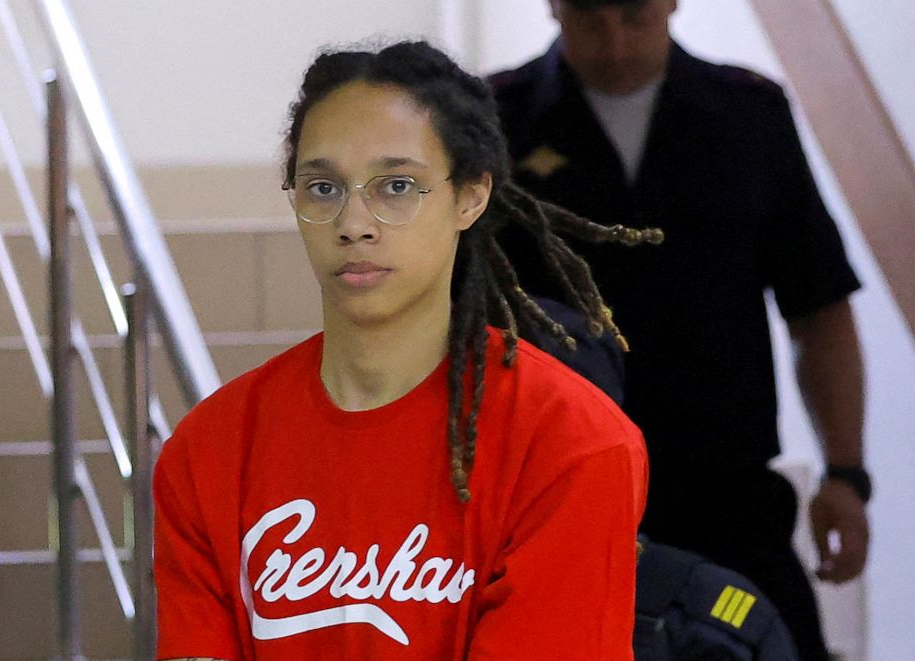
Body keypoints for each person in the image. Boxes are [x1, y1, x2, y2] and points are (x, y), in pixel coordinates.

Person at [153, 41, 658, 660]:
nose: (354, 221)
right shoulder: (208, 450)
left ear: (470, 196)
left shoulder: (573, 443)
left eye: (397, 185)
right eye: (323, 186)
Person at [489, 1, 870, 659]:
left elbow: (819, 307)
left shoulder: (749, 114)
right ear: (552, 6)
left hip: (728, 490)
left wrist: (845, 472)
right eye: (587, 18)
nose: (613, 42)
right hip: (556, 499)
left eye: (634, 16)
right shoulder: (492, 120)